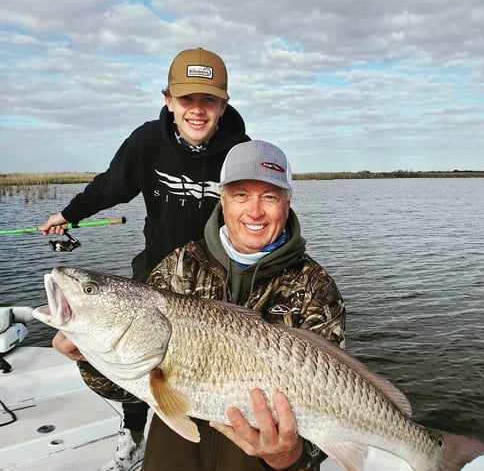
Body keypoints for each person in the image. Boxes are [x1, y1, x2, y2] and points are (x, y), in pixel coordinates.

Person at [42, 47, 250, 471]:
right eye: (187, 98)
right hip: (156, 272)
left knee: (215, 366)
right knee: (133, 361)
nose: (197, 110)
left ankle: (216, 431)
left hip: (218, 279)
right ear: (168, 100)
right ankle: (133, 435)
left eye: (208, 99)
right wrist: (68, 215)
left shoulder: (241, 150)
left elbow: (259, 211)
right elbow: (110, 187)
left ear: (223, 105)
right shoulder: (145, 142)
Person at [141, 140, 346, 470]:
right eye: (240, 195)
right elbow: (128, 384)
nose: (254, 211)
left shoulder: (315, 287)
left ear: (287, 202)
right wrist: (87, 355)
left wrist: (288, 458)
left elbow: (330, 416)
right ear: (222, 201)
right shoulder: (179, 266)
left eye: (269, 196)